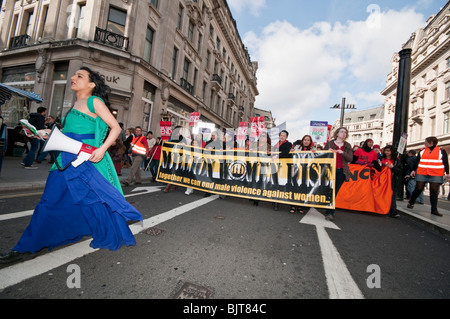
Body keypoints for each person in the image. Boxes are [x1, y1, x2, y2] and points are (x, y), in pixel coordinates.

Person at [0, 67, 142, 263]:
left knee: (92, 201)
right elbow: (67, 134)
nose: (73, 77)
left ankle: (26, 246)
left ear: (91, 84)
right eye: (74, 75)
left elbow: (116, 128)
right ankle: (27, 246)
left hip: (83, 162)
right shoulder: (74, 104)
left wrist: (101, 149)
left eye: (79, 76)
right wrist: (42, 133)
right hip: (64, 160)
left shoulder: (94, 101)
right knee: (49, 201)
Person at [407, 136, 450, 217]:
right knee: (419, 188)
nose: (424, 143)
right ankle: (411, 202)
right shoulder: (422, 151)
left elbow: (445, 162)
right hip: (422, 172)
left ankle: (434, 210)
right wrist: (413, 170)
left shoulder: (441, 151)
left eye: (426, 142)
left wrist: (447, 173)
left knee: (434, 191)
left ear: (431, 143)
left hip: (436, 173)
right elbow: (417, 162)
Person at [323, 127, 353, 221]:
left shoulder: (347, 145)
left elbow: (350, 158)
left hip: (341, 171)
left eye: (345, 132)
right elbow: (323, 155)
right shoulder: (330, 144)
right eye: (342, 131)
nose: (344, 133)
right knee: (329, 190)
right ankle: (329, 209)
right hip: (330, 170)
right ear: (337, 133)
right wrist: (328, 152)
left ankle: (330, 212)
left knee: (334, 191)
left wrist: (342, 152)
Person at [290, 135, 314, 214]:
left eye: (308, 140)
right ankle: (293, 205)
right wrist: (291, 152)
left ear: (310, 142)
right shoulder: (297, 148)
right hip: (296, 170)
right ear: (302, 141)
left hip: (306, 172)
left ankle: (301, 205)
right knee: (295, 187)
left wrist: (315, 153)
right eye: (305, 140)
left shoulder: (313, 150)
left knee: (304, 188)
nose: (306, 141)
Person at [272, 130, 292, 211]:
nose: (282, 137)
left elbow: (286, 152)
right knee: (275, 183)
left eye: (284, 135)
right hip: (275, 166)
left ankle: (279, 201)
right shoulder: (275, 145)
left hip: (284, 167)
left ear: (286, 137)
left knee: (281, 183)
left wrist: (276, 156)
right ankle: (275, 201)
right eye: (281, 135)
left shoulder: (289, 144)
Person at [381, 145, 402, 218]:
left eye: (388, 151)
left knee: (392, 195)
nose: (386, 152)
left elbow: (399, 171)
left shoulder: (396, 160)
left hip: (392, 180)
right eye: (385, 151)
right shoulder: (381, 159)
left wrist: (392, 167)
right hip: (381, 180)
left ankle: (393, 211)